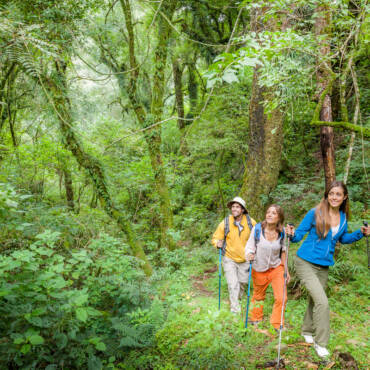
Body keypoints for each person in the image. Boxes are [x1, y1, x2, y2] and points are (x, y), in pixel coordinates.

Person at [285, 180, 370, 358]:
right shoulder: (315, 212)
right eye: (331, 193)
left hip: (323, 266)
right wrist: (291, 234)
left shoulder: (343, 217)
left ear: (344, 197)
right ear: (327, 195)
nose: (334, 197)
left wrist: (360, 234)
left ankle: (307, 330)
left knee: (314, 299)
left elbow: (342, 239)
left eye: (338, 194)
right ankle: (321, 343)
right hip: (305, 261)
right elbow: (299, 234)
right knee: (323, 302)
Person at [245, 204, 290, 331]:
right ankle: (255, 318)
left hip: (276, 267)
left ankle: (277, 324)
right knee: (258, 295)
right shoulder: (257, 229)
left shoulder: (282, 233)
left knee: (282, 297)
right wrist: (249, 254)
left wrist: (286, 270)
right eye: (268, 212)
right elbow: (250, 245)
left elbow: (283, 252)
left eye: (274, 213)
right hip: (259, 267)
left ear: (279, 217)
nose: (270, 214)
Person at [212, 197, 256, 313]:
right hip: (229, 258)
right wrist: (218, 243)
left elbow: (257, 238)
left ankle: (236, 301)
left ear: (242, 210)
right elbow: (216, 237)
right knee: (233, 285)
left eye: (237, 207)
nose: (234, 209)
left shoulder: (251, 223)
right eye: (233, 207)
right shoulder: (226, 222)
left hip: (245, 259)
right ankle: (235, 310)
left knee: (242, 284)